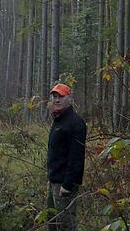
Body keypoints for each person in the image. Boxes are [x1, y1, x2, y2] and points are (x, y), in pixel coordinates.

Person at [46, 83, 87, 231]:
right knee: (52, 222)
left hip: (64, 184)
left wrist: (67, 185)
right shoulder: (58, 119)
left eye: (61, 97)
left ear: (69, 98)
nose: (57, 100)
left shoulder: (76, 123)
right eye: (55, 97)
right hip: (53, 180)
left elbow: (76, 158)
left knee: (66, 224)